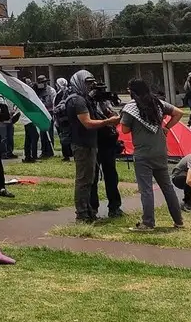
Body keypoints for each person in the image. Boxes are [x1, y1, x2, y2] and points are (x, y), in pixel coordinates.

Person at [121, 78, 184, 231]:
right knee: (167, 187)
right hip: (160, 151)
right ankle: (178, 220)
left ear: (133, 92)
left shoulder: (131, 108)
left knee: (146, 189)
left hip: (143, 153)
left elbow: (124, 130)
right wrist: (166, 127)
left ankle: (148, 223)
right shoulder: (158, 103)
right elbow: (179, 113)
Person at [65, 70, 120, 223]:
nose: (91, 86)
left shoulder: (85, 100)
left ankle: (88, 211)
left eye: (92, 83)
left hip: (90, 144)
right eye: (88, 83)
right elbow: (88, 123)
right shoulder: (77, 100)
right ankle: (82, 214)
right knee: (84, 180)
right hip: (83, 145)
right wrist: (109, 122)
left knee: (89, 180)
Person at [92, 81, 125, 219]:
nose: (102, 92)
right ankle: (92, 208)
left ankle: (114, 207)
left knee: (111, 176)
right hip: (93, 143)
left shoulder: (105, 102)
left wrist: (113, 114)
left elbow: (114, 116)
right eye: (99, 90)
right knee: (92, 177)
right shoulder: (87, 102)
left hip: (108, 143)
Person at [53, 78, 73, 160]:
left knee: (64, 137)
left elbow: (58, 107)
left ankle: (67, 155)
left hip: (63, 119)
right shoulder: (67, 92)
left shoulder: (61, 94)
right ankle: (69, 153)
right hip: (66, 119)